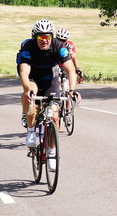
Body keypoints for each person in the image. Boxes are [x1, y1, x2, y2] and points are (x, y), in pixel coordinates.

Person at [16, 19, 80, 149]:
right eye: (41, 37)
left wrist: (72, 90)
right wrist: (28, 89)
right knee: (31, 96)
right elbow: (24, 73)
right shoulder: (28, 47)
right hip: (33, 78)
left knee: (55, 117)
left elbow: (71, 70)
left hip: (50, 80)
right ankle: (31, 132)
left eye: (47, 37)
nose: (44, 40)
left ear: (52, 37)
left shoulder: (59, 47)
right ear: (35, 37)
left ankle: (51, 151)